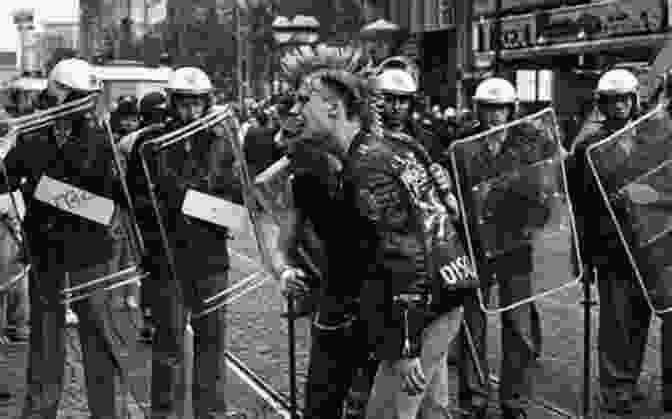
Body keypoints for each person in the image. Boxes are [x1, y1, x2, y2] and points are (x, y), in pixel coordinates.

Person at [4, 57, 127, 419]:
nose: (87, 107)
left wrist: (44, 190)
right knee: (45, 340)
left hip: (91, 252)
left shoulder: (102, 140)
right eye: (80, 98)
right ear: (60, 97)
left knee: (99, 336)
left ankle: (108, 413)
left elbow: (110, 204)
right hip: (46, 252)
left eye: (90, 99)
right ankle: (40, 411)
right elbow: (7, 179)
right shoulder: (31, 136)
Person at [126, 66, 237, 419]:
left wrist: (183, 201)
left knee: (212, 344)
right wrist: (184, 204)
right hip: (166, 258)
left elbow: (233, 205)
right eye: (184, 104)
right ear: (172, 103)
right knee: (168, 345)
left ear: (207, 103)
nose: (190, 112)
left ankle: (211, 413)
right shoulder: (149, 144)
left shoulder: (222, 142)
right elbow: (136, 201)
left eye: (197, 104)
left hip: (210, 258)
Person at [455, 77, 551, 419]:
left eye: (501, 109)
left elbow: (543, 189)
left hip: (514, 246)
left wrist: (533, 218)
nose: (495, 116)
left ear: (511, 110)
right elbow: (453, 191)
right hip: (475, 246)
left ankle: (515, 400)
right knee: (472, 326)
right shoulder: (462, 144)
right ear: (478, 110)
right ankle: (474, 398)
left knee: (520, 327)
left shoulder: (527, 144)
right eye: (489, 109)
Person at [568, 68, 650, 414]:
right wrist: (583, 258)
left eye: (624, 99)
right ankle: (615, 387)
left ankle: (629, 381)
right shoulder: (589, 146)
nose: (619, 106)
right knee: (617, 322)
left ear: (634, 101)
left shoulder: (651, 135)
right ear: (602, 103)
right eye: (612, 100)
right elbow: (581, 207)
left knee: (642, 319)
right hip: (610, 246)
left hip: (648, 244)